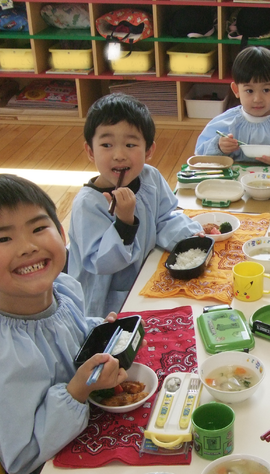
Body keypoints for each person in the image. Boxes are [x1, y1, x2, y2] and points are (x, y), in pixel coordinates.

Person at [0, 174, 128, 474]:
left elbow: (67, 334)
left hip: (86, 431)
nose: (27, 247)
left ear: (61, 234)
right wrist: (76, 391)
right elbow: (21, 456)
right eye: (3, 238)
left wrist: (98, 331)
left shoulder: (62, 289)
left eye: (38, 228)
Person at [69, 93, 203, 317]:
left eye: (130, 144)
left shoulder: (150, 177)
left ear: (148, 150)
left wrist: (189, 236)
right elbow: (99, 263)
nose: (119, 155)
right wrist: (124, 222)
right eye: (106, 145)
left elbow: (164, 218)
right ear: (90, 151)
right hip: (104, 301)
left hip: (144, 277)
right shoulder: (88, 204)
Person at [195, 46, 270, 166]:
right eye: (249, 91)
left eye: (266, 90)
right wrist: (219, 147)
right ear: (236, 90)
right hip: (234, 179)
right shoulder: (226, 122)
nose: (257, 99)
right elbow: (199, 154)